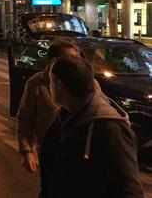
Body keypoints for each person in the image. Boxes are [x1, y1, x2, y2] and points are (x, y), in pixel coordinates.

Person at [41, 55, 143, 197]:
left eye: (50, 81)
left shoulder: (111, 128)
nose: (49, 86)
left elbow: (129, 188)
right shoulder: (63, 116)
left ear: (59, 84)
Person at [16, 38, 81, 174]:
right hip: (50, 152)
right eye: (69, 58)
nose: (75, 63)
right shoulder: (36, 83)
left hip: (79, 153)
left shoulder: (86, 83)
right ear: (53, 60)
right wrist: (26, 151)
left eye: (77, 57)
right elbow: (25, 119)